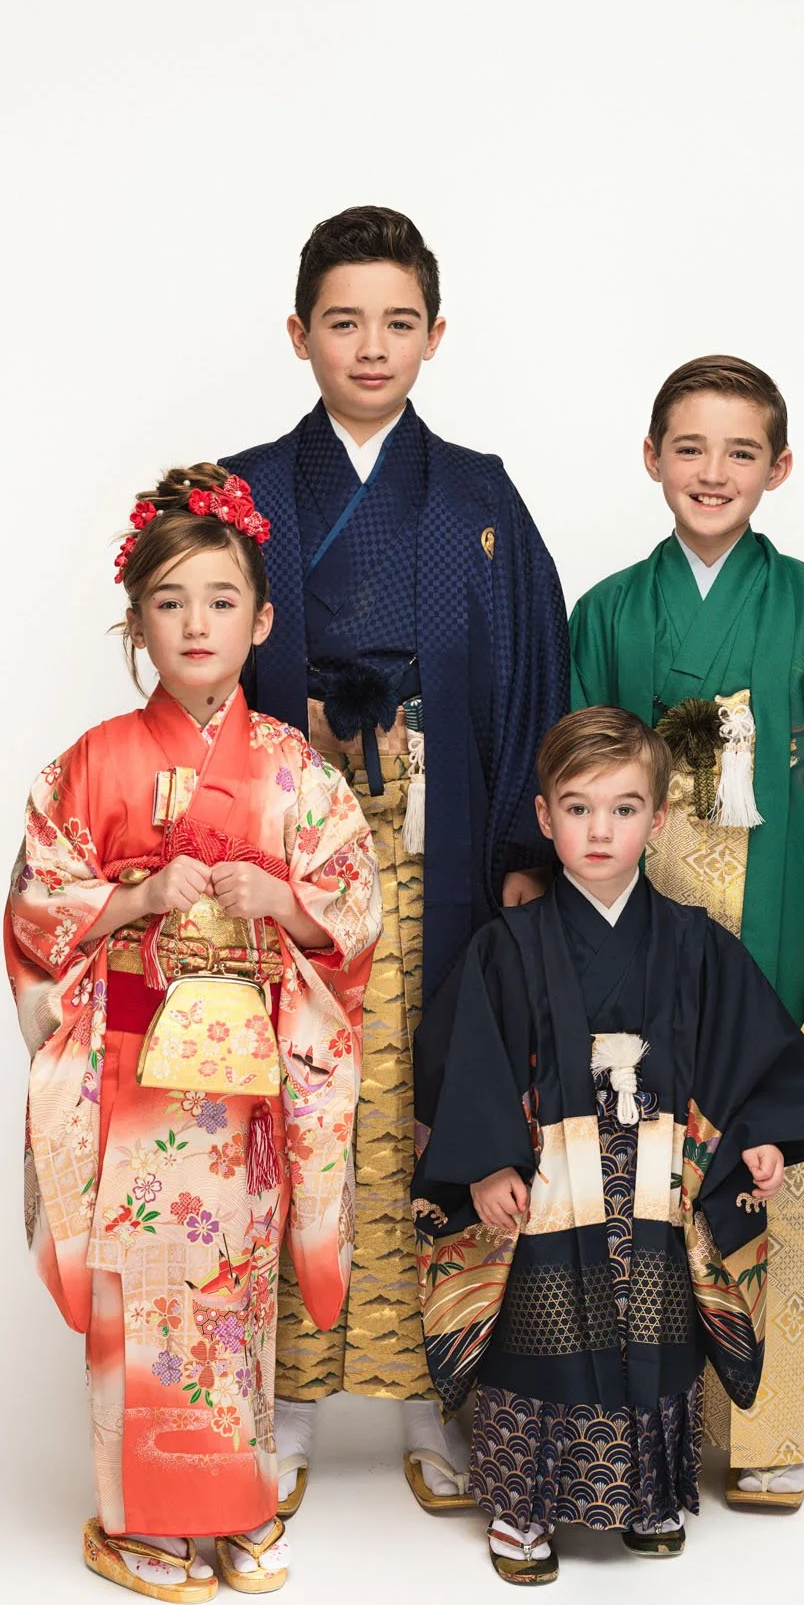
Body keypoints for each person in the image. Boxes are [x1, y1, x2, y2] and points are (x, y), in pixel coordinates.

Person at [222, 205, 569, 1513]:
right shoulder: (246, 492)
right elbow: (197, 657)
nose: (371, 345)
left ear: (434, 334)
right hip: (285, 863)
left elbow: (531, 667)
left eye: (397, 321)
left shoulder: (475, 495)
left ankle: (438, 1389)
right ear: (298, 333)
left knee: (442, 1099)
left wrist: (523, 850)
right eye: (344, 320)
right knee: (297, 1109)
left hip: (441, 850)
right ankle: (287, 1394)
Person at [5, 463, 381, 1600]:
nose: (197, 623)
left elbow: (352, 911)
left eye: (222, 600)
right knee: (143, 1284)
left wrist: (285, 905)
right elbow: (36, 907)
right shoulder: (90, 764)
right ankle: (138, 1522)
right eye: (170, 602)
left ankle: (234, 1504)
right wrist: (135, 897)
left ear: (260, 621)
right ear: (138, 624)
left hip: (247, 1079)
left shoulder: (296, 770)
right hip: (132, 1071)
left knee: (232, 1288)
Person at [569, 355, 804, 1510]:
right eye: (688, 447)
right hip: (647, 923)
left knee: (776, 1153)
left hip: (782, 921)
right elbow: (573, 784)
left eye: (738, 451)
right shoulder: (607, 611)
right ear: (650, 457)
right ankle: (648, 1420)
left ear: (778, 465)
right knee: (640, 1156)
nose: (710, 472)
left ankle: (770, 1429)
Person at [411, 709, 804, 1581]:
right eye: (577, 809)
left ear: (660, 817)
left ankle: (647, 1496)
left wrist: (756, 1139)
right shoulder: (508, 947)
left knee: (655, 1332)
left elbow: (750, 1054)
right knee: (539, 1336)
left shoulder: (693, 943)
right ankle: (523, 1507)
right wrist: (488, 1162)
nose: (599, 831)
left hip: (657, 1189)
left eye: (623, 809)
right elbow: (462, 1057)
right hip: (546, 1187)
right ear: (545, 818)